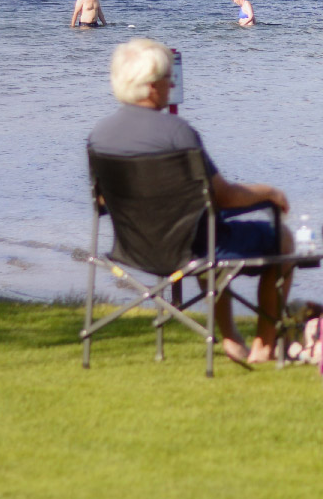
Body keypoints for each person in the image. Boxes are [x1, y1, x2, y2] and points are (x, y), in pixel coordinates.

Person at [87, 37, 292, 365]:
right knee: (281, 238)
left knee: (203, 230)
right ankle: (264, 346)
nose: (172, 84)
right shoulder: (177, 133)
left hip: (132, 248)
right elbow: (223, 197)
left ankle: (230, 339)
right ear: (152, 86)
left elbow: (101, 200)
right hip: (190, 249)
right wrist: (269, 192)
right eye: (169, 78)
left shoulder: (100, 135)